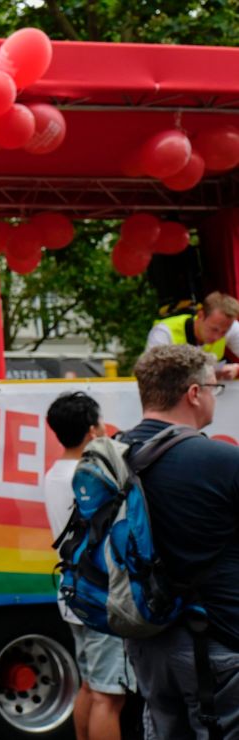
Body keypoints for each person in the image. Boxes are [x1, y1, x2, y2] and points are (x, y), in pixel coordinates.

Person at [121, 344, 239, 738]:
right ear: (193, 393)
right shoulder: (220, 460)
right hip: (218, 641)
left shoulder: (114, 456)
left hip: (146, 642)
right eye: (211, 387)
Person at [42, 391, 135, 740]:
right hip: (100, 595)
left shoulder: (54, 473)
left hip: (72, 594)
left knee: (89, 686)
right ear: (91, 430)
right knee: (108, 697)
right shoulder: (88, 477)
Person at [146, 291, 239, 380]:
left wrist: (237, 369)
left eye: (224, 332)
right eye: (214, 329)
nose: (217, 337)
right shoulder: (163, 332)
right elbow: (153, 374)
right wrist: (205, 373)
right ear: (201, 315)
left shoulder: (229, 326)